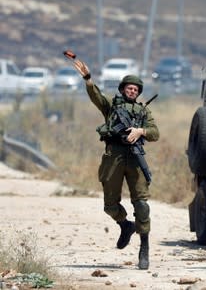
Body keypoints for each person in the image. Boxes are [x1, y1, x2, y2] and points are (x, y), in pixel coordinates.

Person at [72, 59, 159, 270]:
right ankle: (125, 225)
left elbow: (155, 133)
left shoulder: (143, 112)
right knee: (110, 206)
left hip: (135, 158)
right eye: (129, 87)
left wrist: (141, 131)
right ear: (122, 89)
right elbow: (96, 96)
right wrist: (88, 79)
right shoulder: (111, 106)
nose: (132, 90)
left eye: (136, 89)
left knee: (142, 205)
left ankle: (144, 247)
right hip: (113, 157)